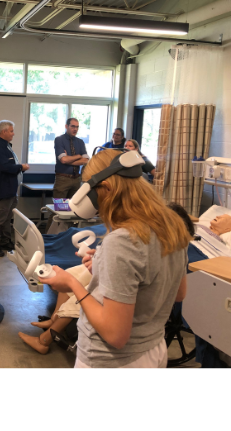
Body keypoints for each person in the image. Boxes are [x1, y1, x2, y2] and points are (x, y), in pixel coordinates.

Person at [39, 148, 191, 368]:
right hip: (154, 350)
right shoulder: (173, 224)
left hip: (112, 361)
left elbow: (115, 335)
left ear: (107, 189)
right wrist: (105, 267)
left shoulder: (121, 241)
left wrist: (71, 283)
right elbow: (178, 293)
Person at [19, 202, 196, 355]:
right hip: (146, 340)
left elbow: (177, 294)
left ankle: (44, 340)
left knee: (76, 294)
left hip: (123, 339)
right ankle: (54, 319)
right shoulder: (152, 245)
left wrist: (73, 283)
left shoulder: (166, 250)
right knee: (74, 273)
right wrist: (100, 259)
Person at [0, 120, 29, 257]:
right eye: (11, 131)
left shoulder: (5, 146)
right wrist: (21, 167)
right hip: (1, 191)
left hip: (9, 190)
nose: (13, 134)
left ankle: (5, 242)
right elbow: (4, 167)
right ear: (4, 131)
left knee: (6, 219)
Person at [45, 118, 89, 232]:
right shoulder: (59, 140)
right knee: (57, 211)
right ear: (66, 126)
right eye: (73, 126)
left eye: (77, 127)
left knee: (73, 211)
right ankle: (48, 237)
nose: (75, 129)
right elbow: (63, 160)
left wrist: (70, 159)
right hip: (63, 179)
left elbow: (86, 160)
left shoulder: (80, 142)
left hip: (76, 179)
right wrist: (78, 156)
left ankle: (67, 236)